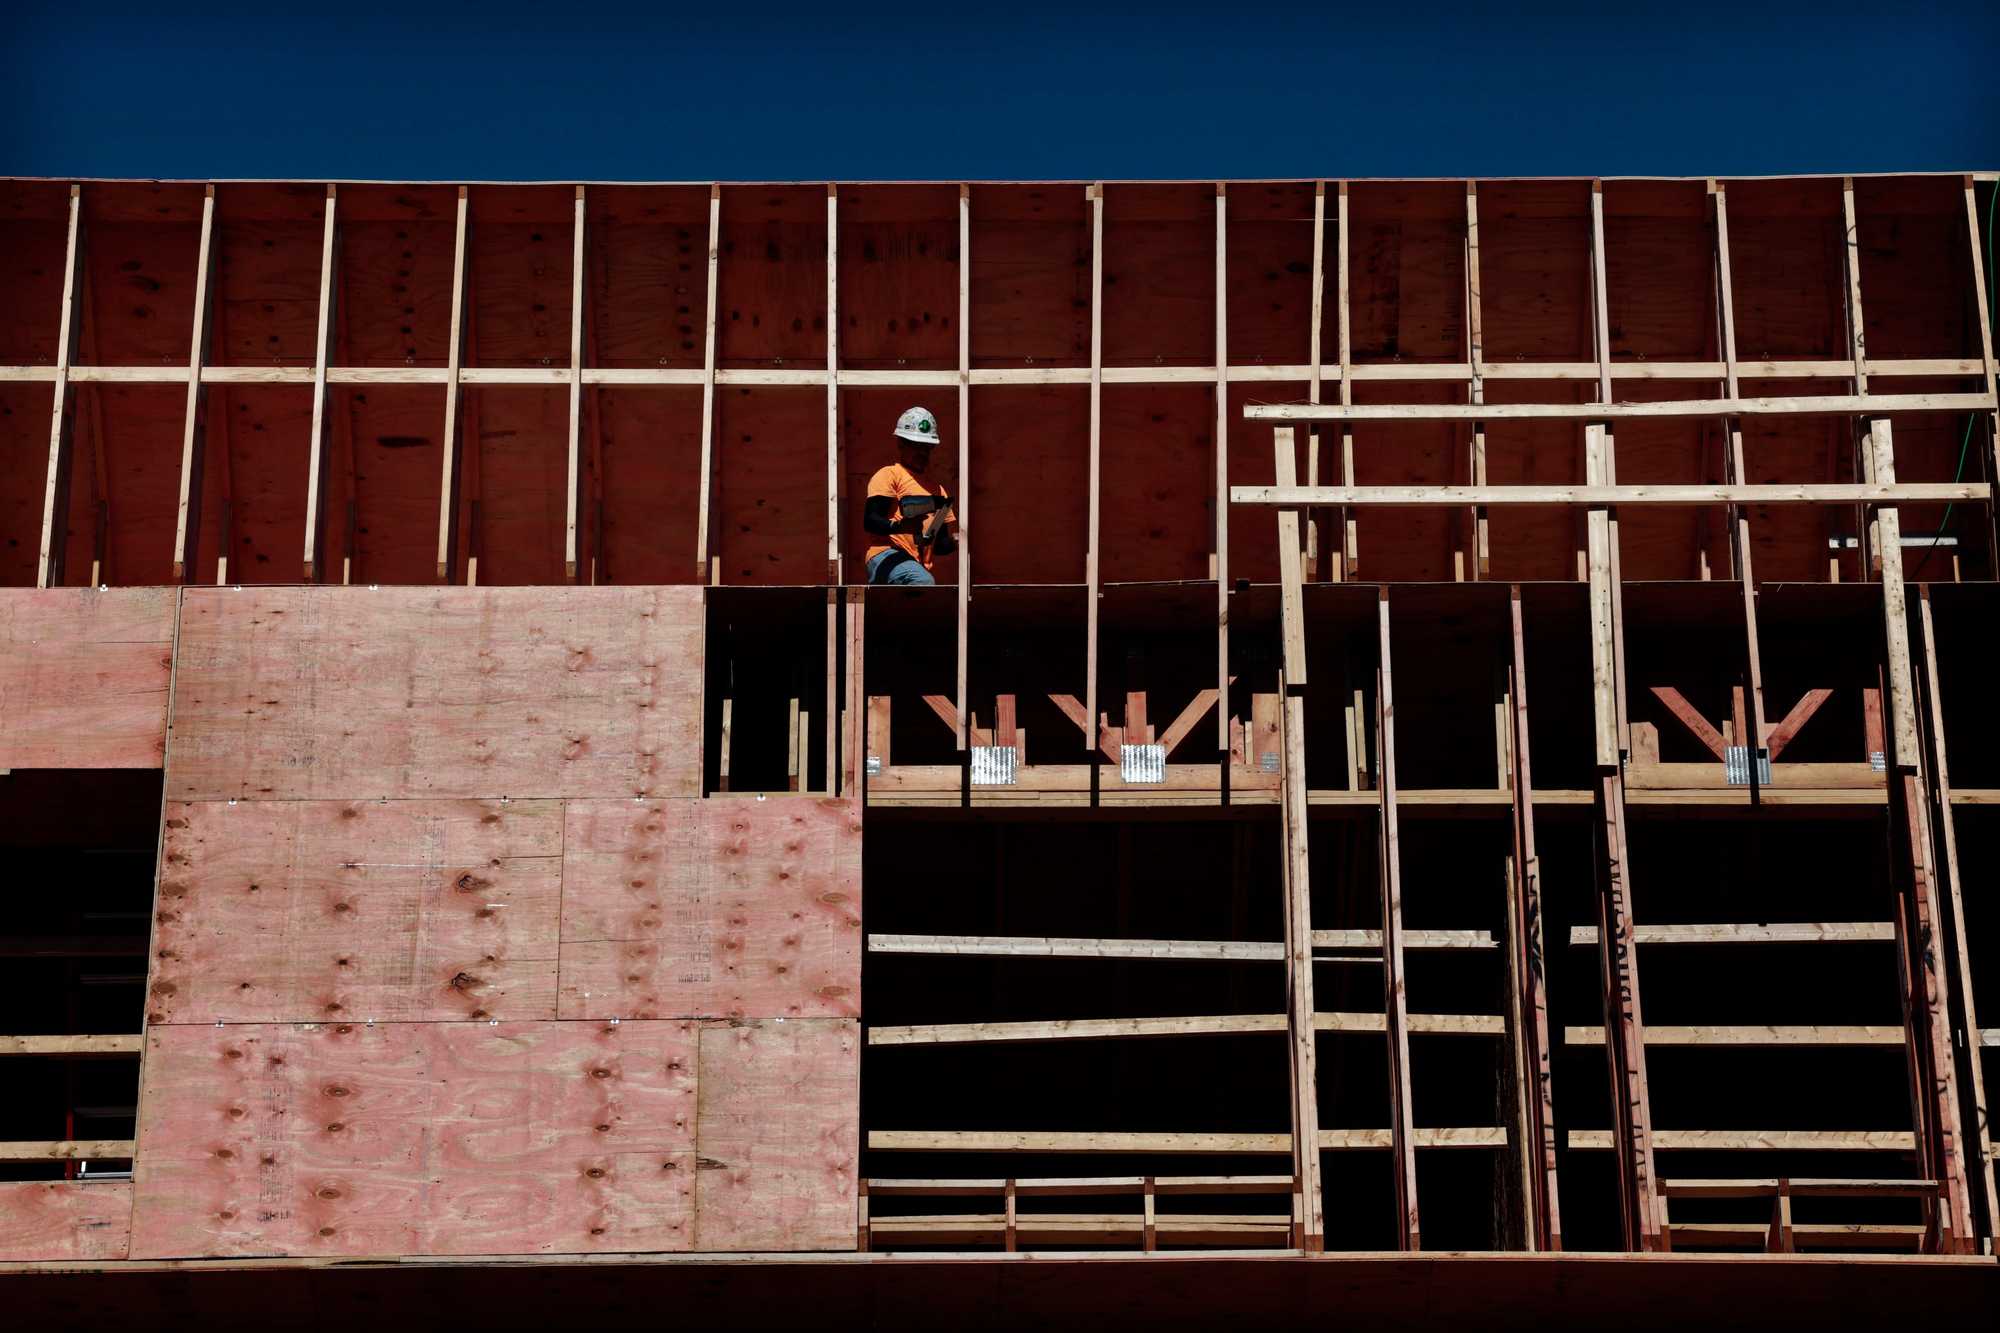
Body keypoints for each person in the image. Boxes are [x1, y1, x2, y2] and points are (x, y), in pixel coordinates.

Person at [863, 406, 957, 585]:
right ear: (901, 444)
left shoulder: (939, 492)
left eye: (926, 447)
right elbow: (871, 520)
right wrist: (900, 526)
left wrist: (958, 540)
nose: (922, 452)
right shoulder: (889, 475)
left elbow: (939, 545)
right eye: (916, 445)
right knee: (922, 581)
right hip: (885, 555)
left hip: (914, 563)